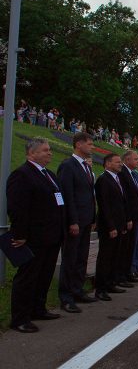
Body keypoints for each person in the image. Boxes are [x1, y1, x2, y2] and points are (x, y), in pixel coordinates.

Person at [6, 138, 65, 333]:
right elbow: (17, 208)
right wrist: (20, 234)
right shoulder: (22, 175)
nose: (50, 153)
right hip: (33, 237)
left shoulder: (49, 174)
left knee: (44, 275)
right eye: (45, 150)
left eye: (50, 150)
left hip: (51, 235)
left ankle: (38, 308)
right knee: (28, 277)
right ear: (31, 153)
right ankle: (20, 318)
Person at [57, 132, 97, 314]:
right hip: (75, 221)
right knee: (70, 258)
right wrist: (72, 221)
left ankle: (77, 289)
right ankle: (66, 297)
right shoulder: (68, 166)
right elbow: (68, 196)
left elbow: (89, 195)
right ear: (78, 144)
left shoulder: (86, 167)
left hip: (86, 219)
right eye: (89, 144)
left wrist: (93, 218)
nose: (92, 147)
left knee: (82, 257)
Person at [94, 154, 132, 302]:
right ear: (108, 163)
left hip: (118, 225)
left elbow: (121, 204)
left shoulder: (116, 179)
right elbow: (104, 206)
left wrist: (123, 222)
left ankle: (110, 283)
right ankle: (100, 288)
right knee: (105, 257)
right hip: (108, 226)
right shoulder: (103, 180)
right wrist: (111, 226)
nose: (120, 164)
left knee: (115, 256)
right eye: (117, 162)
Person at [117, 150, 138, 285]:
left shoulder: (132, 174)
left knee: (130, 247)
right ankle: (122, 275)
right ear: (127, 160)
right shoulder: (123, 174)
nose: (137, 161)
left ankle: (127, 273)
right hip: (128, 218)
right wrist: (128, 218)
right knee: (125, 249)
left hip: (134, 217)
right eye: (135, 159)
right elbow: (125, 198)